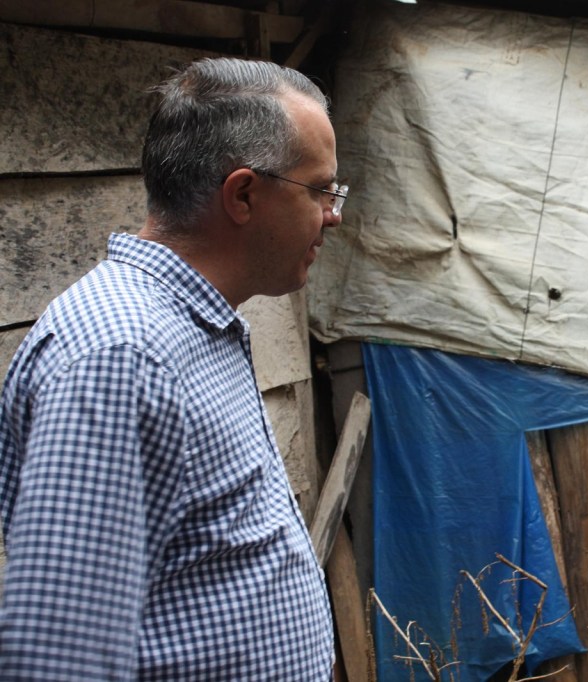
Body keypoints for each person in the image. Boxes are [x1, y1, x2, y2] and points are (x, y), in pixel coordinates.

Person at [0, 57, 345, 679]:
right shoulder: (121, 356)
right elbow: (57, 658)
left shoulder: (192, 328)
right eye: (320, 189)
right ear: (243, 194)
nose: (334, 213)